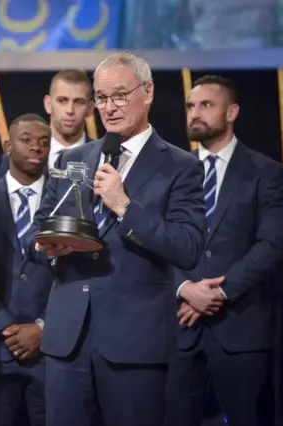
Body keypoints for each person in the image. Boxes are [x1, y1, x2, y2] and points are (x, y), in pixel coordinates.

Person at [25, 52, 206, 426]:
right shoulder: (73, 158)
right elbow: (37, 232)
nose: (109, 107)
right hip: (67, 342)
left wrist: (125, 206)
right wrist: (51, 249)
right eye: (103, 98)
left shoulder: (180, 166)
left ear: (149, 91)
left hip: (134, 346)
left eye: (120, 95)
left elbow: (187, 247)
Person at [165, 75, 283, 426]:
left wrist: (219, 291)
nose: (195, 113)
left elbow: (272, 245)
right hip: (178, 327)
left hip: (240, 328)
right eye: (191, 105)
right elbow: (156, 242)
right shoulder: (168, 171)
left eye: (206, 105)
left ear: (232, 111)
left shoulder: (266, 172)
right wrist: (185, 288)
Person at [0, 113, 53, 426]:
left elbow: (76, 274)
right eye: (27, 140)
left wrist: (43, 327)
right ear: (8, 145)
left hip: (51, 352)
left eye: (44, 142)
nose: (36, 147)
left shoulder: (67, 200)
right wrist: (5, 326)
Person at [0, 69, 94, 174]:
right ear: (48, 104)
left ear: (90, 108)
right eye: (62, 101)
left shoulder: (103, 158)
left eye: (79, 102)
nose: (70, 110)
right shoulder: (15, 159)